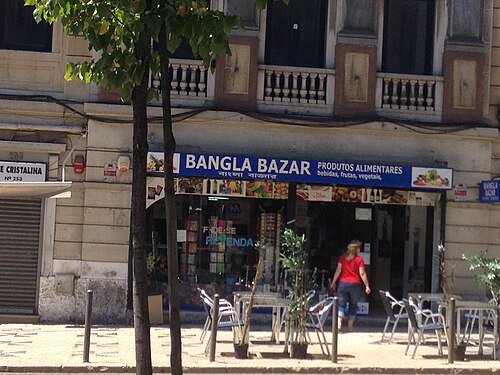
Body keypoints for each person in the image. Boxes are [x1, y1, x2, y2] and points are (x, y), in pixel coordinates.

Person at [329, 239, 371, 331]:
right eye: (359, 248)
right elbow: (362, 273)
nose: (360, 249)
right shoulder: (359, 259)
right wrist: (367, 285)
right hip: (355, 284)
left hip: (343, 283)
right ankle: (350, 326)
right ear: (356, 249)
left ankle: (339, 322)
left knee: (341, 304)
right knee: (353, 305)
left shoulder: (342, 258)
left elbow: (338, 270)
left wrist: (333, 282)